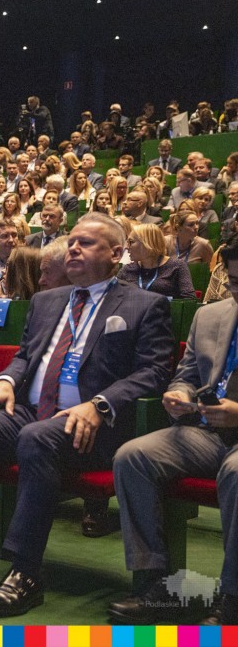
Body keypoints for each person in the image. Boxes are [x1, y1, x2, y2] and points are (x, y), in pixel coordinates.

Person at [0, 213, 175, 619]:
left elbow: (154, 371)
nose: (74, 249)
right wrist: (6, 379)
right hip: (33, 411)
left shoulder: (145, 305)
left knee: (36, 438)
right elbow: (25, 356)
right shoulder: (47, 301)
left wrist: (100, 403)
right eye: (71, 242)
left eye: (86, 243)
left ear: (116, 254)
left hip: (93, 425)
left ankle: (25, 571)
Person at [108, 233, 238, 625]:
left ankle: (232, 598)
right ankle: (156, 583)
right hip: (205, 430)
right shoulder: (210, 315)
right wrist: (178, 394)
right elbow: (187, 374)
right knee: (133, 456)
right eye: (234, 282)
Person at [118, 223, 197, 300]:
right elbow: (114, 296)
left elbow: (189, 299)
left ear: (147, 243)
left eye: (131, 242)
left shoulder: (177, 266)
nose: (127, 247)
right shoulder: (127, 269)